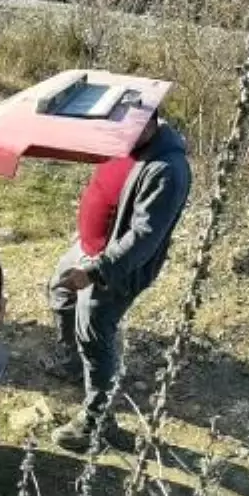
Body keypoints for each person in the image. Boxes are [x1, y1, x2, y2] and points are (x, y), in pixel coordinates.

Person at [42, 109, 192, 452]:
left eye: (127, 133)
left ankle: (98, 424)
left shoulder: (167, 171)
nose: (118, 140)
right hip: (86, 247)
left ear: (151, 125)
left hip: (112, 269)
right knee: (60, 297)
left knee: (94, 337)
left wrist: (94, 273)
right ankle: (73, 364)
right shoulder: (128, 140)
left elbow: (142, 238)